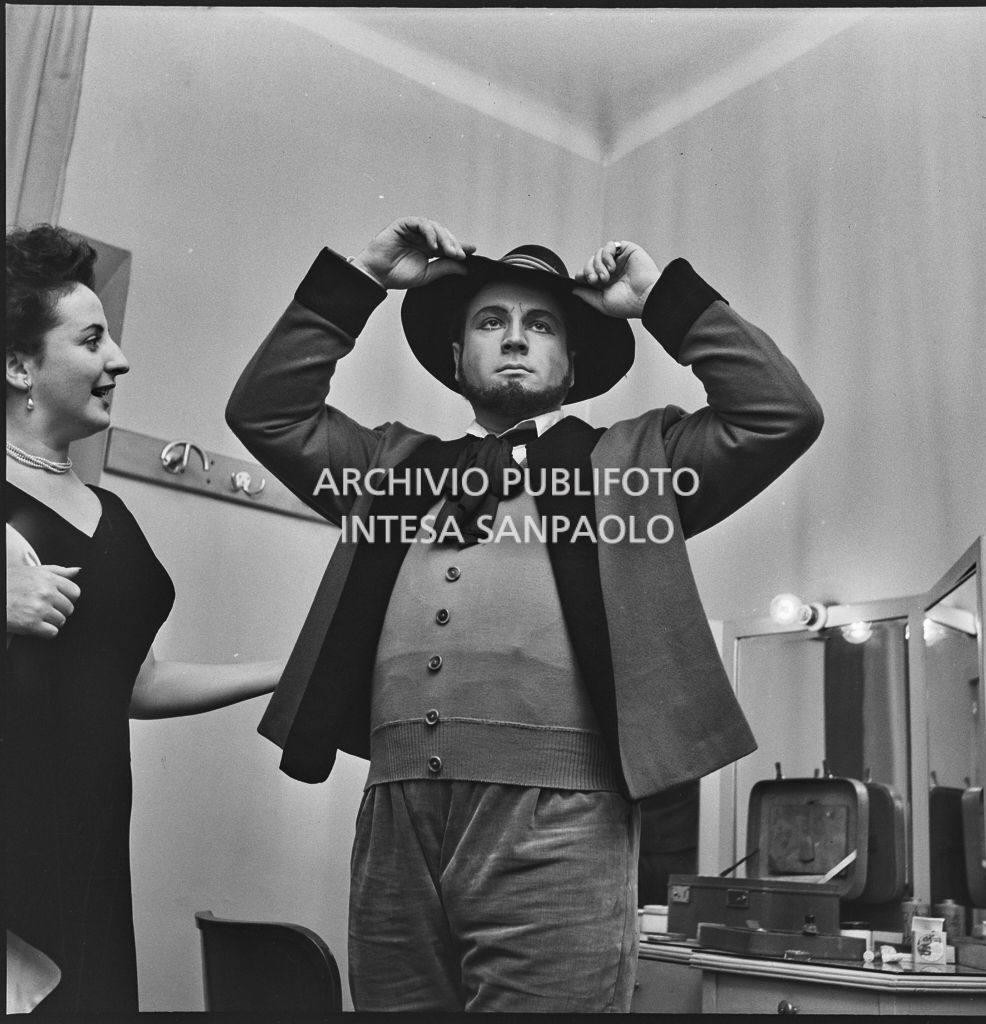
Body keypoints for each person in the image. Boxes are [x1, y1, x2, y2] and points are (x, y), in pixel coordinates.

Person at [227, 216, 823, 1012]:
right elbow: (268, 413)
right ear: (454, 357)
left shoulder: (638, 459)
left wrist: (660, 300)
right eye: (490, 322)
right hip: (395, 820)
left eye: (540, 325)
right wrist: (361, 279)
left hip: (560, 826)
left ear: (571, 361)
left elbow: (778, 413)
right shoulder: (389, 466)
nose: (514, 339)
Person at [5, 224, 285, 1015]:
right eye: (92, 339)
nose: (118, 360)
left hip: (90, 845)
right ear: (20, 364)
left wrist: (287, 669)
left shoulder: (115, 515)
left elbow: (136, 681)